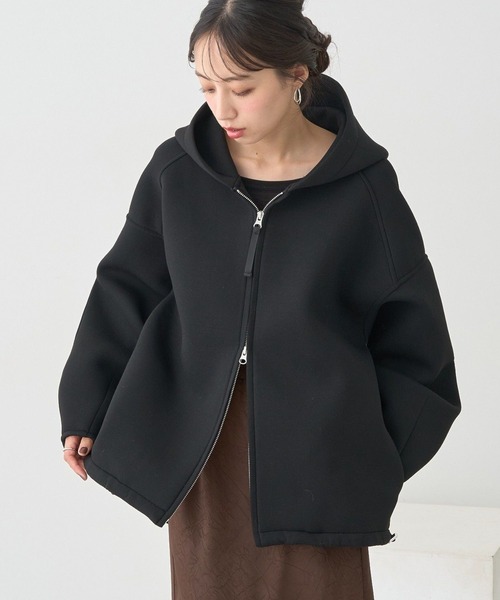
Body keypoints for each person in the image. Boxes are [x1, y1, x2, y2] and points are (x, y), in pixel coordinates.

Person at [58, 0, 462, 598]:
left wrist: (370, 456)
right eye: (206, 87)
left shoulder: (364, 188)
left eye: (242, 89)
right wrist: (87, 406)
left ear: (296, 74)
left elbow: (417, 343)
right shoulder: (177, 171)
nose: (222, 109)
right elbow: (126, 288)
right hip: (205, 444)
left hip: (323, 454)